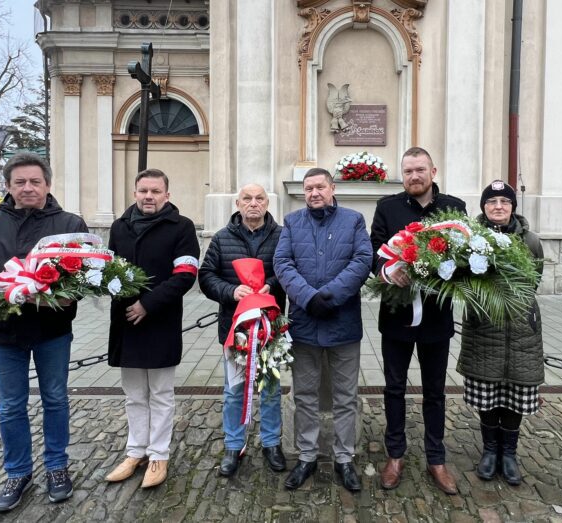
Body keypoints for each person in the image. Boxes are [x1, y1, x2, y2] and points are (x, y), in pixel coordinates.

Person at [0, 153, 88, 512]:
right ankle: (18, 472)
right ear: (8, 186)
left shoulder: (70, 224)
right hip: (3, 332)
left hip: (52, 330)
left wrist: (63, 295)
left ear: (48, 185)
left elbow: (86, 276)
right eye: (20, 182)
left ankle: (57, 467)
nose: (28, 188)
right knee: (11, 406)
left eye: (35, 181)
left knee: (55, 399)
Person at [369, 146, 466, 494]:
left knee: (435, 392)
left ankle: (436, 459)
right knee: (394, 388)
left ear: (433, 171)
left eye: (420, 170)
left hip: (437, 319)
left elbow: (464, 258)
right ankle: (394, 455)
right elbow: (374, 254)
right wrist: (387, 271)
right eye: (408, 171)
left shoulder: (454, 209)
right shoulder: (387, 207)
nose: (414, 176)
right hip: (396, 317)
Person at [274, 167, 372, 492]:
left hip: (343, 323)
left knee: (345, 396)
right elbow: (283, 263)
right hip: (304, 324)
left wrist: (329, 296)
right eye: (308, 188)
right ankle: (307, 456)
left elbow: (362, 260)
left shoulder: (354, 220)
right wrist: (307, 297)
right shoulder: (291, 222)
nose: (314, 193)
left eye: (320, 186)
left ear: (332, 188)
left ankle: (344, 458)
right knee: (304, 395)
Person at [104, 169, 200, 488]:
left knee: (160, 394)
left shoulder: (182, 227)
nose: (149, 196)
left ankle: (158, 454)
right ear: (134, 193)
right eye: (143, 190)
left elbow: (185, 274)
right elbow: (110, 270)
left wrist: (148, 303)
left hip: (160, 320)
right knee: (133, 394)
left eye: (155, 191)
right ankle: (135, 452)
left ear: (166, 195)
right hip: (126, 322)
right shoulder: (119, 227)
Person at [456, 180, 544, 486]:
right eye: (491, 201)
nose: (498, 206)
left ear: (512, 207)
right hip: (484, 327)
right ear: (483, 207)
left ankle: (509, 453)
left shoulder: (530, 240)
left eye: (504, 202)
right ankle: (490, 450)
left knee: (515, 392)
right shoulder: (469, 238)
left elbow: (534, 279)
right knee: (487, 393)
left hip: (521, 327)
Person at [198, 184, 287, 477]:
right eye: (247, 199)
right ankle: (234, 445)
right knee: (235, 390)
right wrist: (230, 290)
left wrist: (271, 286)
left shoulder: (281, 235)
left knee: (271, 389)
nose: (253, 204)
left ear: (267, 203)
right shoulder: (222, 238)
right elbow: (206, 276)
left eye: (259, 198)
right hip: (234, 329)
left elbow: (289, 269)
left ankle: (272, 443)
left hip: (270, 328)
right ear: (237, 203)